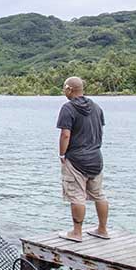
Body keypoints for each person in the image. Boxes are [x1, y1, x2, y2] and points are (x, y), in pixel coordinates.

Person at [56, 76, 108, 241]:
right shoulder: (97, 107)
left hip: (76, 159)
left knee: (77, 196)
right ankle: (102, 229)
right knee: (99, 194)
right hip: (96, 158)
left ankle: (77, 232)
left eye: (65, 88)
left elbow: (65, 134)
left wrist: (62, 154)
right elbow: (99, 130)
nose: (64, 91)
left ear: (69, 89)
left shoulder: (68, 108)